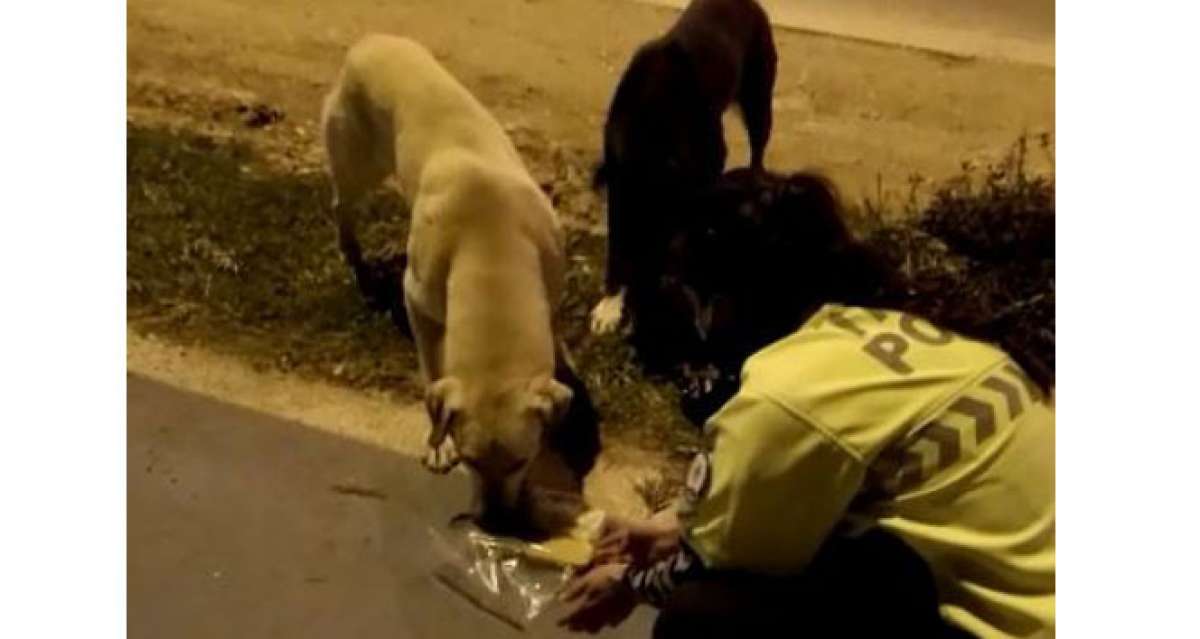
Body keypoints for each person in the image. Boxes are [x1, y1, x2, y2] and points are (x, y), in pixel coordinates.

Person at [558, 303, 1054, 637]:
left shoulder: (783, 395)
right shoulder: (884, 336)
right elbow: (792, 495)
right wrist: (670, 529)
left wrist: (627, 583)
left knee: (702, 616)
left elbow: (716, 558)